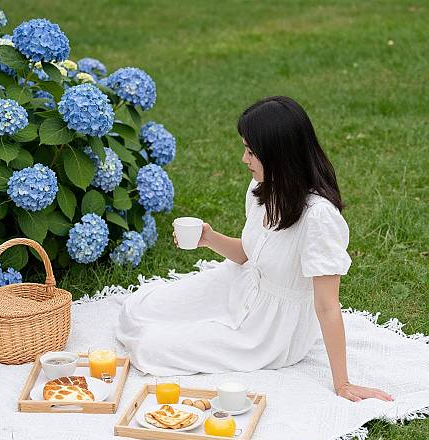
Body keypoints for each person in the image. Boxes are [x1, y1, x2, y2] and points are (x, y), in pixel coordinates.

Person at [115, 95, 393, 403]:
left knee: (149, 347)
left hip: (269, 332)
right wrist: (209, 238)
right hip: (239, 286)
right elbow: (249, 254)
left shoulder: (319, 218)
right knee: (138, 308)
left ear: (278, 156)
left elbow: (327, 305)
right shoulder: (262, 188)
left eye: (251, 151)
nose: (244, 159)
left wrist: (343, 383)